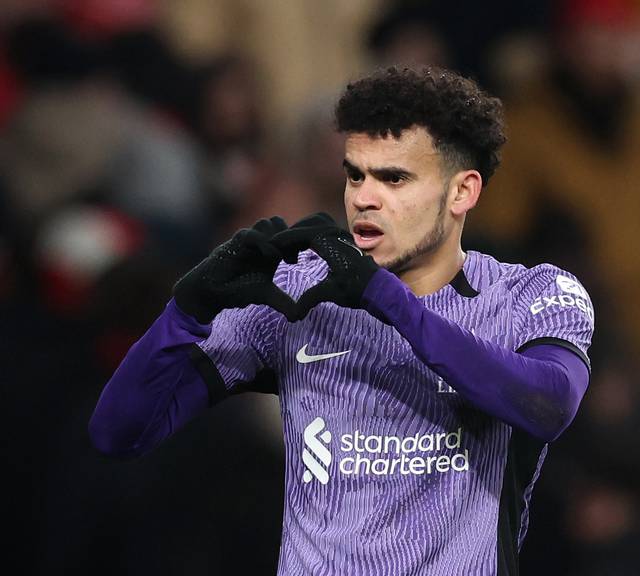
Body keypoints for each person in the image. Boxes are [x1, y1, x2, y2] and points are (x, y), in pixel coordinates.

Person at [89, 65, 594, 576]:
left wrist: (391, 303)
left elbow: (549, 404)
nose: (363, 198)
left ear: (462, 192)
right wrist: (186, 312)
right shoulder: (301, 296)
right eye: (356, 174)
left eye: (394, 177)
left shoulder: (529, 294)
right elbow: (119, 432)